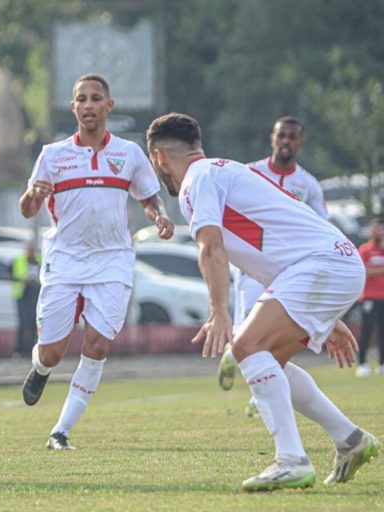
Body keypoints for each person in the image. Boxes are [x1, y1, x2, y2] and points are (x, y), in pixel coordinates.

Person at [145, 111, 380, 491]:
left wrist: (219, 312)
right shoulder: (228, 170)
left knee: (246, 345)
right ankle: (350, 439)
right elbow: (271, 249)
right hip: (329, 264)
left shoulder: (196, 181)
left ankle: (291, 460)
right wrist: (329, 314)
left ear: (158, 157)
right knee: (266, 358)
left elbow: (210, 247)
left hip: (321, 266)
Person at [19, 73, 174, 451]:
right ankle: (41, 368)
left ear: (109, 106)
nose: (88, 105)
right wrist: (32, 194)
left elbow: (148, 197)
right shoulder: (53, 155)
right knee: (53, 351)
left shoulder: (129, 153)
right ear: (73, 107)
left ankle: (61, 432)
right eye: (81, 99)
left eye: (95, 99)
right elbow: (27, 209)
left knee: (98, 346)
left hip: (112, 261)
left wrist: (160, 216)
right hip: (65, 260)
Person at [218, 117, 330, 419]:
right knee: (249, 334)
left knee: (273, 335)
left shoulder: (307, 184)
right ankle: (239, 360)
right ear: (272, 138)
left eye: (293, 137)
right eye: (282, 135)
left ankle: (260, 392)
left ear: (300, 142)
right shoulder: (251, 172)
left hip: (288, 267)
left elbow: (321, 224)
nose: (286, 142)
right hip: (252, 265)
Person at [355, 218, 384, 377]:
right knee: (367, 331)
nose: (380, 232)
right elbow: (364, 271)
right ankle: (362, 364)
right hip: (370, 297)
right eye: (377, 229)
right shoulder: (365, 250)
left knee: (383, 332)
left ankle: (382, 364)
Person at [11, 242, 41, 359]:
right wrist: (24, 280)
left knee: (35, 322)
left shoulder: (40, 260)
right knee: (23, 323)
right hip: (22, 295)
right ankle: (20, 350)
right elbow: (9, 275)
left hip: (36, 295)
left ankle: (32, 349)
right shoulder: (19, 260)